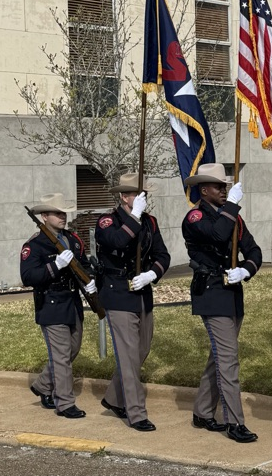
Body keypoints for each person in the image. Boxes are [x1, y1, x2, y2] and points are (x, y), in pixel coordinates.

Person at [182, 163, 262, 443]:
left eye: (225, 186)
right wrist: (233, 207)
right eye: (219, 187)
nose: (224, 190)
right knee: (228, 360)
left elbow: (254, 249)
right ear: (204, 190)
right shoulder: (194, 217)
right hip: (211, 293)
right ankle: (234, 422)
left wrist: (246, 269)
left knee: (218, 357)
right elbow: (216, 234)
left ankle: (203, 412)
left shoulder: (233, 216)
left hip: (232, 293)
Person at [95, 173, 170, 432]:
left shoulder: (151, 222)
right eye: (137, 194)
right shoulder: (107, 221)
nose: (142, 198)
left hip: (142, 293)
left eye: (144, 194)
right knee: (128, 356)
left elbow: (163, 254)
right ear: (123, 196)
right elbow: (116, 241)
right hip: (118, 294)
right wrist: (133, 217)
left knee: (141, 350)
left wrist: (152, 274)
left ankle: (114, 398)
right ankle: (136, 413)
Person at [21, 193, 95, 419]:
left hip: (72, 303)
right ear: (44, 216)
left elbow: (83, 264)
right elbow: (28, 276)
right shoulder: (35, 245)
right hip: (51, 304)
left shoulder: (72, 239)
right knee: (61, 356)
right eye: (58, 213)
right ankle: (65, 403)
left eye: (64, 213)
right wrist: (55, 266)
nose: (63, 217)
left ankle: (43, 384)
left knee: (72, 350)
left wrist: (90, 280)